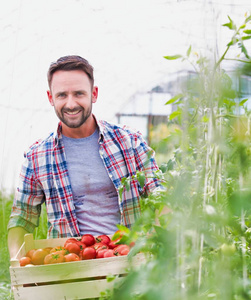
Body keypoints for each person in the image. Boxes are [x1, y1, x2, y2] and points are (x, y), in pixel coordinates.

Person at [7, 55, 162, 258]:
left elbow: (160, 193)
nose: (71, 104)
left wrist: (158, 242)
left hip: (127, 263)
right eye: (62, 95)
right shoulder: (37, 157)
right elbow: (21, 218)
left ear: (94, 94)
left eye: (79, 93)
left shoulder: (129, 142)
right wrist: (17, 262)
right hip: (69, 268)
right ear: (50, 98)